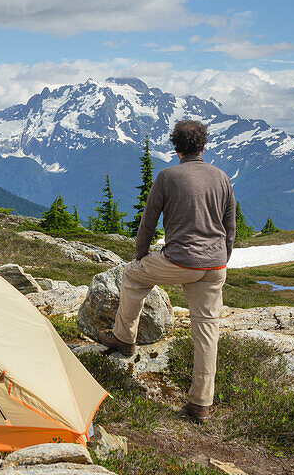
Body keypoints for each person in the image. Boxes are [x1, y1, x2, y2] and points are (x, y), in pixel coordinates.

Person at [97, 119, 235, 423]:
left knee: (132, 276)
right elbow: (229, 226)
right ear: (204, 145)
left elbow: (148, 222)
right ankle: (201, 403)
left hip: (178, 260)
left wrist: (140, 255)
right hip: (215, 264)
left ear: (175, 147)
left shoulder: (167, 177)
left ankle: (124, 337)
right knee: (207, 328)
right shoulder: (222, 177)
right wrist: (222, 258)